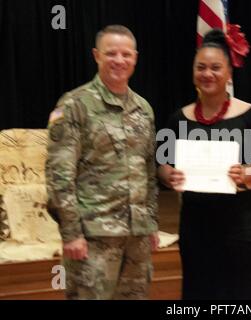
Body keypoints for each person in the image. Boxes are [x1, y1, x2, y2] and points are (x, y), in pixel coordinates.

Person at [157, 27, 251, 300]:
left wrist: (247, 172)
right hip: (195, 224)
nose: (207, 74)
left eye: (215, 67)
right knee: (198, 290)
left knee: (242, 292)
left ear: (229, 73)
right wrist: (170, 176)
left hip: (239, 225)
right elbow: (161, 164)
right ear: (193, 72)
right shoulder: (178, 119)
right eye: (201, 67)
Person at [45, 25, 159, 300]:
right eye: (111, 53)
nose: (119, 60)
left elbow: (149, 172)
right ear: (96, 55)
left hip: (137, 238)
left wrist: (151, 222)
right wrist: (71, 233)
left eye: (125, 54)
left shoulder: (143, 109)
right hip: (93, 237)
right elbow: (59, 175)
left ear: (135, 57)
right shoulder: (74, 105)